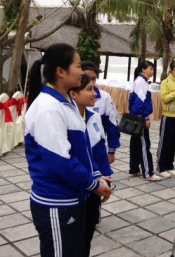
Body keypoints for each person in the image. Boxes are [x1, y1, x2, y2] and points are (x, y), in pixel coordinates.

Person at [25, 43, 113, 257]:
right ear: (61, 72)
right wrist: (93, 185)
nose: (82, 72)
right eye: (77, 65)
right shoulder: (48, 108)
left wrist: (96, 176)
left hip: (73, 199)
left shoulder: (67, 103)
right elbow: (61, 162)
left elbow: (82, 151)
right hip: (56, 203)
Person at [68, 74, 113, 257]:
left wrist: (104, 175)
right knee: (74, 243)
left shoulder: (93, 116)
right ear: (73, 94)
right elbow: (71, 159)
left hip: (95, 182)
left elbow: (98, 150)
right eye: (89, 89)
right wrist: (94, 181)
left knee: (87, 237)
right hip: (80, 187)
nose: (95, 94)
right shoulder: (67, 120)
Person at [128, 60, 162, 181]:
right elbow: (139, 102)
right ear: (143, 69)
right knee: (144, 144)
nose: (152, 71)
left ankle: (134, 168)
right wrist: (146, 118)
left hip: (136, 116)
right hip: (140, 117)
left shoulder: (139, 81)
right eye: (150, 69)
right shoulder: (141, 82)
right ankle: (148, 173)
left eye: (153, 69)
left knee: (135, 143)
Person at [81, 61, 121, 164]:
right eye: (86, 77)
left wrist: (111, 151)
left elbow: (113, 125)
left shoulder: (105, 97)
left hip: (98, 149)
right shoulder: (71, 97)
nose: (91, 82)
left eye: (93, 78)